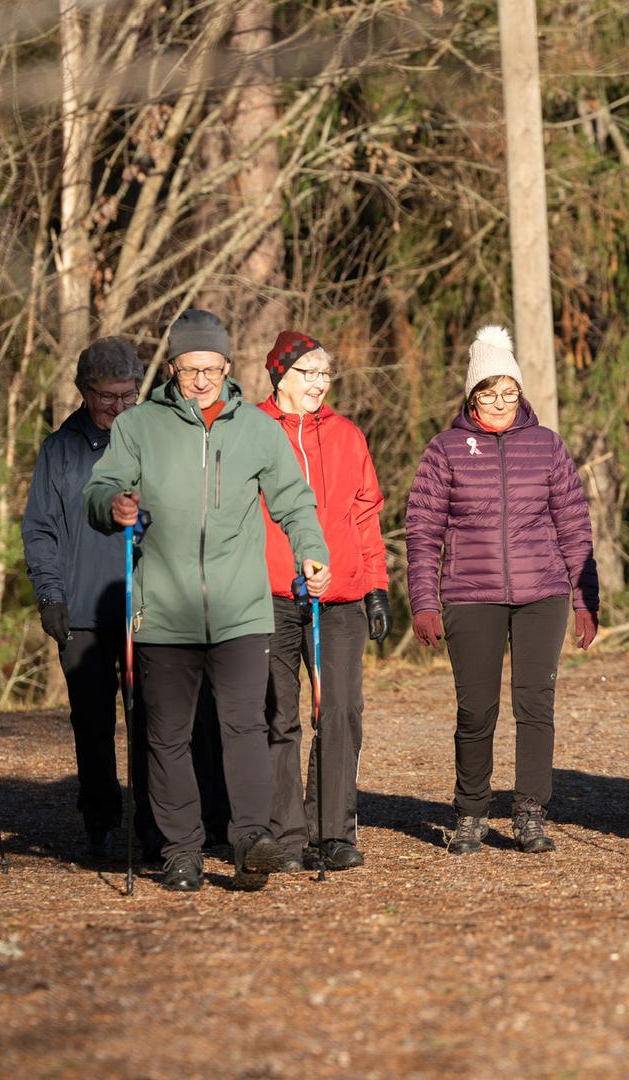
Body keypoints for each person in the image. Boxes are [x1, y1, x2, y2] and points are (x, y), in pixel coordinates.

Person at [83, 309, 330, 893]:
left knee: (245, 727)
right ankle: (181, 850)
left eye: (212, 368)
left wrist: (310, 553)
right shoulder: (138, 426)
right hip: (164, 613)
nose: (202, 380)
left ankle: (250, 842)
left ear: (228, 367)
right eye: (191, 369)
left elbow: (295, 502)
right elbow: (99, 489)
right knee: (167, 736)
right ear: (172, 368)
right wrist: (112, 506)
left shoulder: (257, 430)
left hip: (240, 609)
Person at [404, 325, 597, 856]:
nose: (499, 403)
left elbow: (574, 526)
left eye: (508, 392)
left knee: (536, 705)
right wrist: (424, 601)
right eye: (488, 393)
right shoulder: (445, 449)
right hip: (471, 594)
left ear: (520, 391)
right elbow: (422, 530)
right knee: (476, 709)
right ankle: (470, 812)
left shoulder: (547, 446)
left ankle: (531, 811)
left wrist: (584, 600)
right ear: (471, 396)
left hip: (543, 593)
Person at [21, 337, 164, 860]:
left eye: (128, 396)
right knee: (94, 726)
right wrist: (50, 595)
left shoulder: (154, 442)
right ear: (84, 392)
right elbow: (40, 529)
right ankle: (101, 822)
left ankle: (157, 826)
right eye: (108, 397)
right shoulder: (60, 450)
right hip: (82, 612)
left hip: (148, 610)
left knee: (155, 723)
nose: (120, 407)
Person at [256, 330, 392, 872]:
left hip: (338, 597)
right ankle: (285, 834)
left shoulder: (346, 435)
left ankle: (333, 831)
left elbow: (365, 514)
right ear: (279, 376)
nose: (317, 384)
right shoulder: (252, 430)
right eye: (306, 374)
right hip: (269, 595)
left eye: (324, 375)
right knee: (278, 715)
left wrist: (377, 585)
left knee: (339, 710)